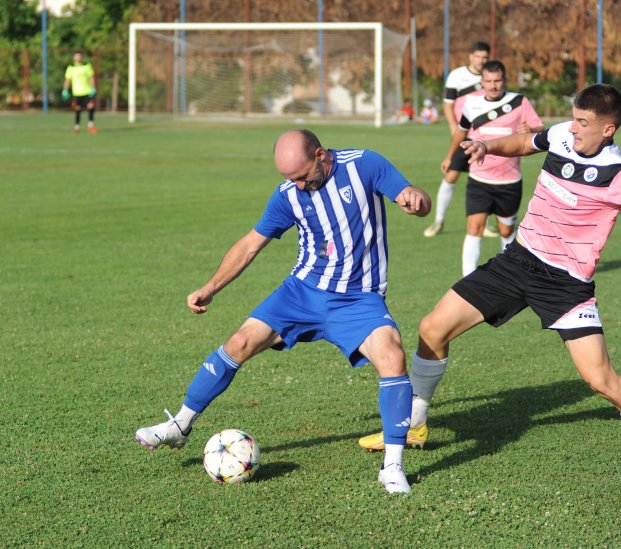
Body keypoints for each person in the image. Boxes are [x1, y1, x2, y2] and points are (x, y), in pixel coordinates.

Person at [358, 84, 621, 483]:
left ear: (608, 130)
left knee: (600, 379)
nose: (573, 128)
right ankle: (415, 423)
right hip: (518, 261)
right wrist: (487, 146)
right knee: (432, 328)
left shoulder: (619, 174)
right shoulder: (560, 136)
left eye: (583, 123)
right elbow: (523, 142)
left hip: (566, 285)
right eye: (573, 118)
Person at [135, 129, 432, 494]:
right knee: (239, 341)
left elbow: (409, 195)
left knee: (392, 354)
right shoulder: (288, 193)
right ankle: (180, 426)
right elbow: (249, 245)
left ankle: (392, 466)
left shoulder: (364, 164)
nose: (298, 185)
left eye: (302, 176)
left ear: (321, 155)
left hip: (358, 298)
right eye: (289, 179)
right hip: (302, 292)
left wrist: (417, 199)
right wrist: (210, 287)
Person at [439, 60, 543, 275]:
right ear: (482, 82)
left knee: (506, 231)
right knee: (474, 228)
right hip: (479, 180)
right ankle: (467, 280)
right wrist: (450, 156)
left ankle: (511, 276)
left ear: (504, 80)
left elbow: (539, 129)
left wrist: (530, 128)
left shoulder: (519, 102)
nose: (493, 85)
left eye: (497, 81)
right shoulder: (471, 104)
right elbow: (461, 132)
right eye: (488, 81)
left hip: (509, 180)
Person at [424, 41, 496, 238]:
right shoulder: (457, 76)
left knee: (486, 179)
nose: (482, 60)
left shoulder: (490, 76)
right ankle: (438, 220)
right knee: (451, 175)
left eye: (485, 57)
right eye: (478, 56)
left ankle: (486, 224)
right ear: (470, 56)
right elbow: (448, 105)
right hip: (464, 136)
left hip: (485, 137)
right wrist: (453, 127)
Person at [62, 52, 97, 134]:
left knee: (90, 106)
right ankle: (77, 126)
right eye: (76, 56)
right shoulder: (71, 68)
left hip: (87, 91)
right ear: (74, 58)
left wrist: (93, 88)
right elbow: (68, 79)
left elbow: (91, 77)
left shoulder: (87, 66)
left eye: (79, 56)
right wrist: (65, 90)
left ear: (82, 57)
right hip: (77, 92)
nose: (78, 58)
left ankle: (91, 125)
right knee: (77, 108)